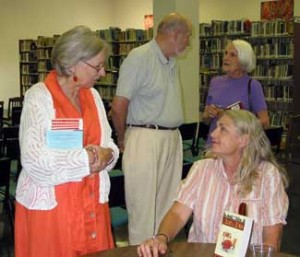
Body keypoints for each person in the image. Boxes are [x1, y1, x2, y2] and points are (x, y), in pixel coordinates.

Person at [15, 25, 119, 257]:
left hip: (91, 206)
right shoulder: (39, 97)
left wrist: (108, 156)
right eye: (97, 66)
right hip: (53, 213)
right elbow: (35, 162)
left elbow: (109, 145)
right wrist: (90, 157)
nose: (102, 73)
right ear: (72, 64)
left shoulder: (93, 96)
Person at [137, 109, 289, 257]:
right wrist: (161, 237)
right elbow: (177, 214)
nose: (213, 134)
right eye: (216, 127)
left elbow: (272, 235)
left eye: (223, 129)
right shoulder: (201, 169)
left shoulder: (267, 175)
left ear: (244, 140)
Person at [111, 12, 192, 245]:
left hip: (171, 138)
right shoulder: (139, 57)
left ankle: (160, 249)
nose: (188, 42)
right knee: (143, 208)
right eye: (187, 36)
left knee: (167, 205)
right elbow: (119, 106)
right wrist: (122, 137)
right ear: (174, 34)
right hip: (145, 137)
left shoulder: (172, 62)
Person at [203, 39, 270, 145]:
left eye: (232, 55)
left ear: (243, 60)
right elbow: (206, 120)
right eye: (225, 53)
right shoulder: (215, 82)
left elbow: (265, 121)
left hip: (239, 148)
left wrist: (237, 123)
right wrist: (208, 114)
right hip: (214, 145)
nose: (226, 58)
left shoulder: (253, 85)